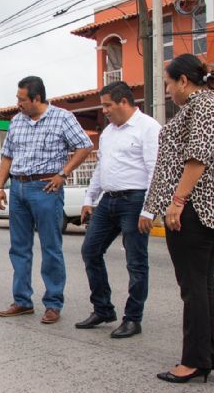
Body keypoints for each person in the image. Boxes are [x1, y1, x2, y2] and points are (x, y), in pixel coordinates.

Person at [143, 54, 214, 383]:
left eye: (168, 83)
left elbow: (197, 157)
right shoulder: (202, 106)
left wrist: (177, 202)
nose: (167, 90)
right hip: (207, 206)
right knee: (200, 286)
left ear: (183, 81)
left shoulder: (202, 105)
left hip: (197, 208)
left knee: (193, 288)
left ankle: (195, 360)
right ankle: (210, 356)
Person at [0, 76, 93, 324]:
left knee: (50, 247)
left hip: (46, 188)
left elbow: (84, 146)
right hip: (18, 188)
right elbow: (7, 156)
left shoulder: (62, 118)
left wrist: (63, 173)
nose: (17, 103)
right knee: (19, 247)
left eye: (21, 99)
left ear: (36, 98)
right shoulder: (16, 121)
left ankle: (53, 303)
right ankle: (22, 301)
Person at [75, 81, 161, 338]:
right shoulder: (108, 132)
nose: (105, 111)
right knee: (90, 251)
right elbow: (101, 170)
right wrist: (90, 199)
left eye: (108, 105)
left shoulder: (148, 128)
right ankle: (103, 309)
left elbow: (155, 169)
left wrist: (149, 209)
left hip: (135, 202)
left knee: (135, 262)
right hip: (108, 201)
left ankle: (133, 318)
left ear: (124, 102)